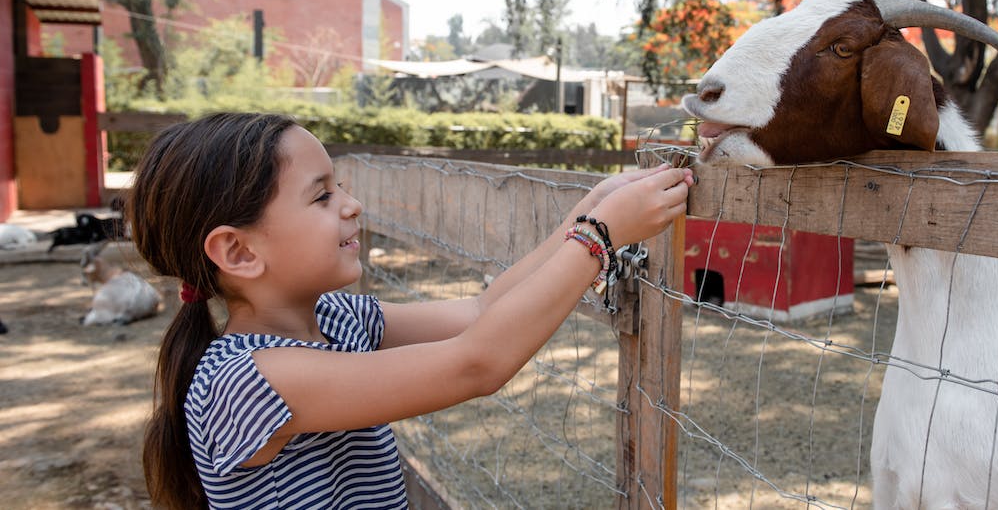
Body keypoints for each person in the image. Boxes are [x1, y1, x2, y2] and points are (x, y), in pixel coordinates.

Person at [129, 112, 694, 510]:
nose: (351, 205)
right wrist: (598, 238)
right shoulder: (247, 380)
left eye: (340, 186)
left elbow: (481, 311)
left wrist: (589, 210)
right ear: (239, 251)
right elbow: (477, 364)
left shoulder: (338, 320)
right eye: (321, 195)